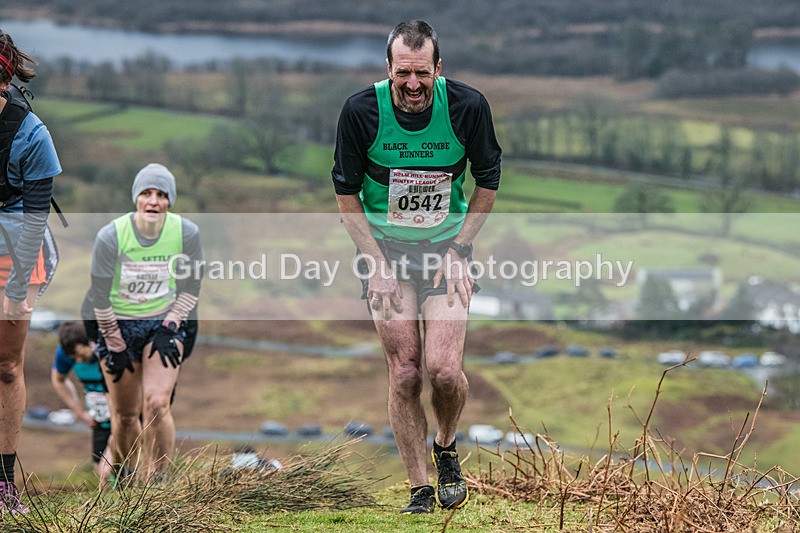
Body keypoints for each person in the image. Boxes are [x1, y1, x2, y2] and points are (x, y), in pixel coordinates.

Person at [332, 20, 501, 514]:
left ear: (437, 69)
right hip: (385, 251)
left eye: (422, 74)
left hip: (445, 249)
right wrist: (375, 263)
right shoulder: (361, 111)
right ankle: (420, 489)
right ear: (388, 69)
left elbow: (488, 182)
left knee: (444, 371)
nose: (412, 85)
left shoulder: (468, 107)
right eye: (403, 73)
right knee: (405, 373)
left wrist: (460, 251)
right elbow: (345, 194)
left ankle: (446, 447)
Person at [89, 163, 203, 482]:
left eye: (161, 195)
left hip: (162, 325)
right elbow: (98, 296)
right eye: (147, 193)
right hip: (117, 326)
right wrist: (114, 342)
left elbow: (191, 287)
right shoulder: (111, 235)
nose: (153, 201)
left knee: (156, 404)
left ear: (170, 201)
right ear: (136, 198)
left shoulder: (186, 233)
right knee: (125, 417)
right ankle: (127, 474)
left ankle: (158, 480)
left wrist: (171, 327)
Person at [0, 29, 62, 514]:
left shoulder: (31, 134)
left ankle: (3, 485)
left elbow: (35, 219)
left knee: (5, 365)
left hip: (18, 237)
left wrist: (17, 289)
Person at [51, 321, 113, 489]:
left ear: (91, 342)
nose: (79, 360)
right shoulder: (66, 353)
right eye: (74, 358)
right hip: (99, 420)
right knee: (101, 470)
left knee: (119, 469)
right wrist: (80, 413)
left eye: (80, 354)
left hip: (126, 418)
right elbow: (58, 380)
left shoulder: (109, 347)